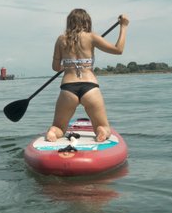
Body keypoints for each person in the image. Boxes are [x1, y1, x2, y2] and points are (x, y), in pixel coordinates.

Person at [45, 9, 129, 143]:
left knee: (59, 127)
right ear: (87, 22)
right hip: (90, 87)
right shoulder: (91, 37)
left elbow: (55, 68)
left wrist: (69, 66)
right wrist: (123, 26)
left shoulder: (61, 39)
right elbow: (118, 50)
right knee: (103, 126)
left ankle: (53, 132)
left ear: (69, 23)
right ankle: (101, 131)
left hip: (68, 88)